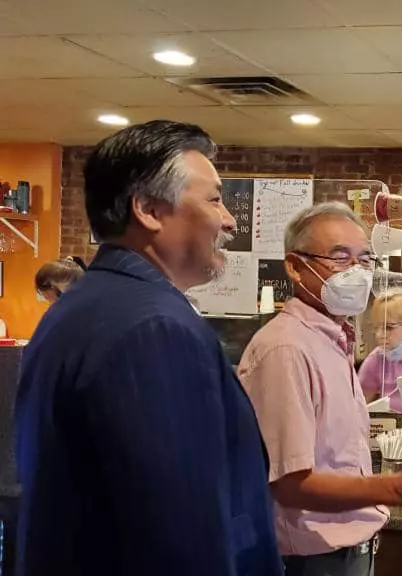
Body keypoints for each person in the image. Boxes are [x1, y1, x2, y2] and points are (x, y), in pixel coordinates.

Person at [15, 120, 283, 576]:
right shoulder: (155, 329)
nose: (230, 219)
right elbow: (180, 531)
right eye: (215, 199)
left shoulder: (84, 304)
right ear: (148, 210)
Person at [238, 202, 402, 576]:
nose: (355, 272)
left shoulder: (331, 340)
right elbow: (289, 483)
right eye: (340, 258)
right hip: (310, 560)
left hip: (347, 552)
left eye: (365, 260)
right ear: (294, 265)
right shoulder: (286, 348)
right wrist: (394, 488)